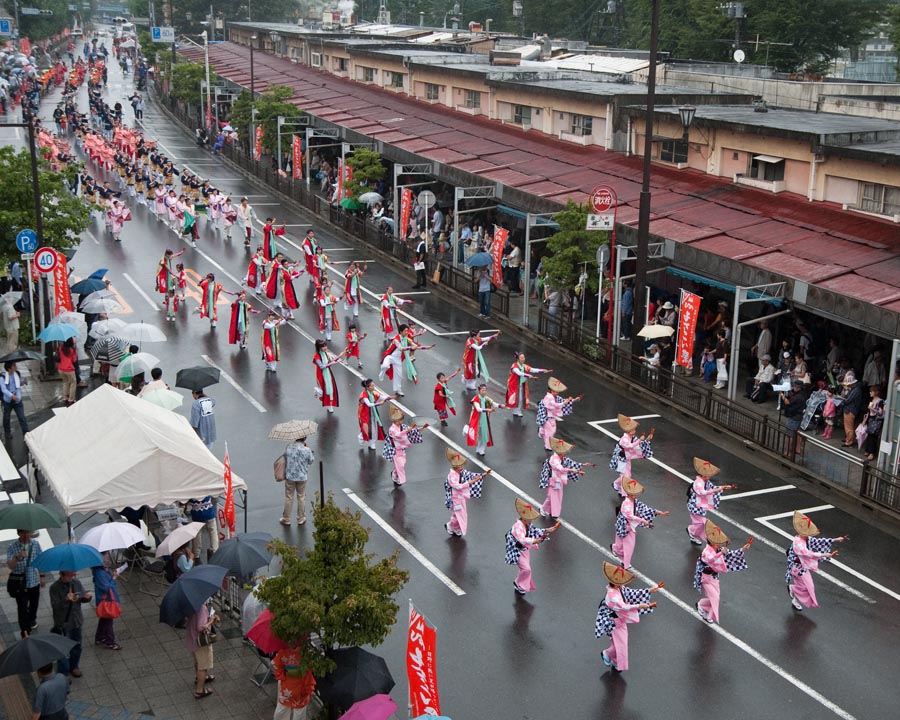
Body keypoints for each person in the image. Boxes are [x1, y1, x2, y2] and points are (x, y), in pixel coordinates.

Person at [595, 562, 661, 673]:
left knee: (619, 644)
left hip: (619, 620)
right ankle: (609, 655)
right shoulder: (612, 596)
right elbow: (624, 606)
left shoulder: (618, 589)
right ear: (616, 582)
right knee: (620, 645)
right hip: (613, 622)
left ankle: (612, 658)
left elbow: (631, 593)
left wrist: (649, 590)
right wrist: (640, 605)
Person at [786, 511, 848, 611]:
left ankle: (795, 600)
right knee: (808, 586)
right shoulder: (798, 543)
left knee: (806, 586)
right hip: (796, 567)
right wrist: (824, 554)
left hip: (802, 567)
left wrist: (835, 539)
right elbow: (808, 553)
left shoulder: (806, 539)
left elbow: (818, 541)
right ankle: (792, 589)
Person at [693, 520, 752, 624]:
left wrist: (743, 549)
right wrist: (720, 553)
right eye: (716, 541)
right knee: (714, 597)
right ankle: (709, 616)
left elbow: (730, 554)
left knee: (716, 597)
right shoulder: (706, 552)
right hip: (705, 578)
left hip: (714, 577)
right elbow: (710, 560)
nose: (718, 543)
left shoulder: (718, 549)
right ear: (711, 542)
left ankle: (701, 605)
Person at [504, 498, 559, 594]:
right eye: (529, 518)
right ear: (524, 518)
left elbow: (535, 531)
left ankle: (519, 583)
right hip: (517, 550)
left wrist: (547, 530)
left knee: (525, 568)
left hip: (525, 549)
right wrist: (534, 540)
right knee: (526, 569)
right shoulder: (518, 526)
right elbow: (521, 539)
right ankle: (518, 583)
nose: (531, 520)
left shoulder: (528, 524)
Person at [611, 478, 668, 570]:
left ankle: (624, 561)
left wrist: (658, 512)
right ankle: (622, 559)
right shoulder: (626, 504)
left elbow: (644, 508)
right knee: (623, 544)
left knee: (628, 545)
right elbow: (630, 516)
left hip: (629, 527)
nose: (636, 495)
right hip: (624, 526)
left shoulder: (634, 501)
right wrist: (643, 520)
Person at [49, 570, 92, 678]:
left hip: (76, 620)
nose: (71, 578)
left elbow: (82, 598)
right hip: (63, 623)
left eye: (72, 575)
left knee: (77, 645)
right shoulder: (54, 588)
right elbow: (55, 606)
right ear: (61, 575)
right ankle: (63, 673)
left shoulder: (76, 583)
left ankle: (74, 666)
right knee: (63, 650)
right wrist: (66, 599)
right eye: (68, 576)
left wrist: (87, 597)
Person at [539, 437, 593, 519]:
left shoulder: (562, 458)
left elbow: (570, 462)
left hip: (559, 479)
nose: (566, 453)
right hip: (553, 479)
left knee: (558, 496)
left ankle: (551, 511)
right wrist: (573, 470)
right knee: (552, 496)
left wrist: (582, 465)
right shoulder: (554, 459)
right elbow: (560, 468)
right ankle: (544, 509)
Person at [686, 457, 735, 545]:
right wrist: (716, 491)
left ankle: (692, 533)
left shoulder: (705, 482)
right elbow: (703, 492)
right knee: (703, 523)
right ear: (703, 475)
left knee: (700, 523)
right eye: (708, 476)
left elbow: (713, 487)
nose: (709, 477)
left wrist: (725, 487)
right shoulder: (698, 483)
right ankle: (707, 540)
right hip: (694, 506)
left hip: (699, 506)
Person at [444, 448, 490, 537]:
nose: (462, 467)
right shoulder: (451, 476)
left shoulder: (461, 472)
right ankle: (451, 526)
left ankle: (454, 527)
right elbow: (457, 486)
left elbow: (470, 475)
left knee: (460, 514)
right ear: (456, 466)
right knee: (459, 514)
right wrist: (469, 483)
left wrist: (482, 475)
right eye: (461, 465)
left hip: (460, 497)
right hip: (455, 498)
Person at [6, 528, 44, 637]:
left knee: (34, 605)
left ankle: (32, 619)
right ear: (19, 533)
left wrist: (42, 576)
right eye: (24, 532)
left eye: (29, 532)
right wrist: (17, 557)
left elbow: (40, 560)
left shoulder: (35, 544)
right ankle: (25, 630)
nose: (27, 535)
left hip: (33, 581)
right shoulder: (12, 547)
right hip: (20, 582)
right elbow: (10, 565)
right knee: (22, 607)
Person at [609, 414, 654, 496]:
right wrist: (639, 440)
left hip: (626, 458)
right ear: (629, 431)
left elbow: (639, 444)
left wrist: (647, 438)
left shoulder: (632, 437)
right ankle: (624, 494)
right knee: (625, 477)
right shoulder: (624, 439)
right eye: (633, 430)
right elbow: (630, 446)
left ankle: (616, 484)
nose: (635, 431)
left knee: (627, 475)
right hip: (621, 458)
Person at [384, 406, 427, 486]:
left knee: (402, 464)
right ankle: (397, 478)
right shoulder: (392, 429)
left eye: (400, 420)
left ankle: (394, 473)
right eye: (398, 420)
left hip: (402, 449)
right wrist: (409, 429)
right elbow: (398, 435)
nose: (400, 422)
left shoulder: (402, 426)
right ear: (394, 421)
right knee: (400, 465)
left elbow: (412, 431)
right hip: (395, 450)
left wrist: (422, 428)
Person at [536, 377, 582, 451]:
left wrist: (574, 400)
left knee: (553, 431)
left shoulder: (556, 397)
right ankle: (548, 446)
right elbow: (554, 405)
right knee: (550, 432)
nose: (557, 393)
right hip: (546, 416)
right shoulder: (548, 397)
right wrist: (563, 403)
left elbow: (564, 400)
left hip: (552, 417)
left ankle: (542, 431)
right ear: (551, 390)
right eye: (555, 391)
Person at [272, 645, 316, 720]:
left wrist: (284, 675)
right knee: (299, 711)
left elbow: (276, 665)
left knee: (283, 708)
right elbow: (310, 670)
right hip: (301, 686)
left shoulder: (283, 652)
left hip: (287, 685)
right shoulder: (306, 653)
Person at [505, 351, 551, 417]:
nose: (523, 359)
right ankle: (516, 410)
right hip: (514, 385)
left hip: (521, 384)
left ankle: (517, 411)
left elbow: (532, 369)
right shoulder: (514, 366)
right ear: (518, 359)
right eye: (521, 357)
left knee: (521, 398)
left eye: (523, 357)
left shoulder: (524, 366)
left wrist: (542, 370)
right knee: (516, 398)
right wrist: (528, 375)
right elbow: (519, 373)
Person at [186, 600, 216, 699]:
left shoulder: (191, 604)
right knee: (203, 666)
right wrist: (212, 620)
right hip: (201, 643)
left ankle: (200, 678)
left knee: (197, 662)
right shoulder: (202, 608)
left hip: (192, 639)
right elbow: (201, 628)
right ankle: (200, 690)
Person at [282, 436, 314, 526]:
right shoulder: (306, 449)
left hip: (290, 476)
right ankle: (301, 518)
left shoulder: (289, 447)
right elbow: (311, 461)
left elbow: (285, 457)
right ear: (304, 439)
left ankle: (286, 518)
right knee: (301, 497)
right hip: (302, 477)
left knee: (289, 497)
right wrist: (307, 448)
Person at [91, 557, 121, 650]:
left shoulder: (101, 571)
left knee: (104, 619)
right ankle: (110, 641)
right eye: (106, 557)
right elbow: (106, 587)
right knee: (108, 621)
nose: (108, 559)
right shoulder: (100, 573)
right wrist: (114, 578)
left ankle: (100, 637)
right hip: (107, 601)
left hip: (105, 600)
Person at [464, 383, 499, 456]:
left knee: (483, 435)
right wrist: (488, 410)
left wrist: (502, 406)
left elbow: (494, 404)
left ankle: (480, 449)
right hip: (476, 420)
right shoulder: (476, 399)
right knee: (473, 434)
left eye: (485, 390)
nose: (484, 392)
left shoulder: (486, 398)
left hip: (484, 421)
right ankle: (465, 430)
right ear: (479, 391)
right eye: (483, 390)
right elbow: (478, 409)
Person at [358, 379, 391, 450]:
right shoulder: (364, 395)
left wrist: (389, 397)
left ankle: (371, 442)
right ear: (367, 387)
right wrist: (379, 403)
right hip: (365, 415)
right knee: (368, 428)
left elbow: (380, 397)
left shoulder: (373, 393)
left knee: (373, 428)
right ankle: (362, 437)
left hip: (373, 413)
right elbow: (369, 404)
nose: (374, 387)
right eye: (372, 386)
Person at [1, 360, 29, 437]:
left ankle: (26, 432)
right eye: (14, 365)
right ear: (9, 368)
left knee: (22, 417)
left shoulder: (16, 374)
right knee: (6, 418)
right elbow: (4, 389)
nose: (16, 366)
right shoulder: (3, 377)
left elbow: (18, 383)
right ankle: (7, 432)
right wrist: (11, 395)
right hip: (8, 401)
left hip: (17, 400)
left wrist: (24, 382)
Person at [862, 384, 885, 461]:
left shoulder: (880, 401)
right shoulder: (872, 400)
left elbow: (880, 412)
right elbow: (869, 412)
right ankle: (868, 450)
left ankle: (872, 452)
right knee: (869, 435)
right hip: (870, 419)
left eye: (871, 391)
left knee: (873, 436)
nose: (870, 393)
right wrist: (865, 420)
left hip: (876, 420)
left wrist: (872, 408)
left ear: (876, 392)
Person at [57, 338, 79, 406]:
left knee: (65, 382)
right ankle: (71, 399)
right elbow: (74, 360)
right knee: (73, 383)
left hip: (61, 369)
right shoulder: (72, 350)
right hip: (69, 369)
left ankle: (65, 397)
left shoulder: (60, 348)